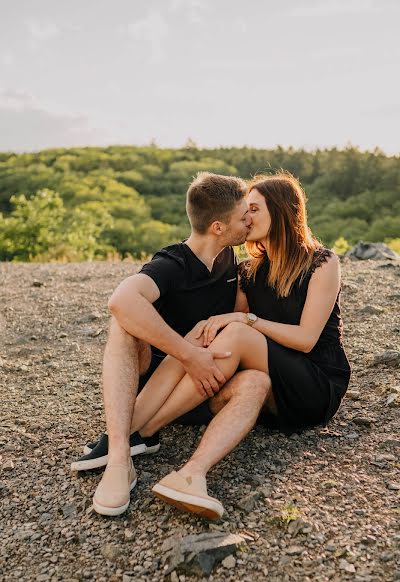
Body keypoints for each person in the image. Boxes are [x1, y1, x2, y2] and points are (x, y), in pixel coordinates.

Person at [126, 171, 351, 518]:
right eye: (245, 211)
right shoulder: (248, 271)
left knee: (236, 331)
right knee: (214, 340)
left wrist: (245, 321)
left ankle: (144, 428)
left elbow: (306, 340)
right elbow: (226, 339)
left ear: (282, 212)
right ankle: (188, 474)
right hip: (272, 381)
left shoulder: (322, 262)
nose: (247, 217)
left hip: (314, 382)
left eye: (255, 209)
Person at [71, 172, 271, 517]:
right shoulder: (173, 263)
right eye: (243, 216)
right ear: (218, 228)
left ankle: (170, 456)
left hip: (200, 387)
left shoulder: (228, 262)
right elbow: (120, 300)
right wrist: (188, 353)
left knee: (256, 382)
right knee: (122, 323)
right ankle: (120, 457)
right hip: (154, 384)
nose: (249, 220)